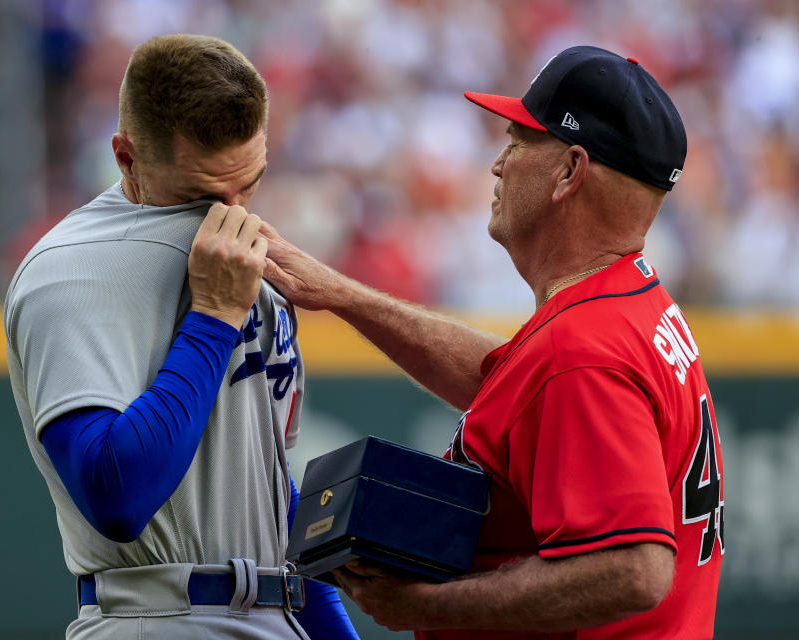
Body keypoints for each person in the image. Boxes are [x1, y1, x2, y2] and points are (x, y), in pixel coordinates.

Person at [262, 45, 724, 638]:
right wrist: (345, 297)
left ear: (570, 172)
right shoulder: (628, 301)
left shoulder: (582, 351)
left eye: (520, 141)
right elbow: (513, 382)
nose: (498, 163)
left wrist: (427, 608)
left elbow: (634, 572)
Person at [4, 34, 357, 639]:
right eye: (202, 194)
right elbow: (117, 494)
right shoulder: (72, 268)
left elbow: (267, 497)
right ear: (127, 159)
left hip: (278, 614)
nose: (232, 215)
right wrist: (215, 318)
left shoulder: (256, 269)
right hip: (160, 614)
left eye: (249, 184)